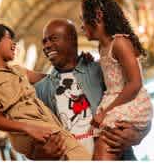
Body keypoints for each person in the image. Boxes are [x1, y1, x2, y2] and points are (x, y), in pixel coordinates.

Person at [0, 15, 91, 160]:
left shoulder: (19, 71)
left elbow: (54, 79)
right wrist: (28, 128)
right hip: (26, 131)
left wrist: (80, 63)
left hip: (46, 124)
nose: (14, 44)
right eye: (8, 38)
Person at [33, 18, 147, 160]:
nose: (47, 45)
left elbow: (138, 103)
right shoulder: (42, 89)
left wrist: (138, 136)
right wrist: (43, 152)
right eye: (44, 41)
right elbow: (32, 146)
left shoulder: (100, 71)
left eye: (53, 39)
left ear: (72, 40)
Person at [79, 0, 154, 160]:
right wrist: (93, 62)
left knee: (103, 150)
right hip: (116, 101)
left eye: (83, 19)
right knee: (99, 150)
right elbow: (113, 70)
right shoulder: (102, 47)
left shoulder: (120, 43)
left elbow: (135, 83)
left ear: (97, 16)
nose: (81, 26)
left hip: (130, 102)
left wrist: (105, 112)